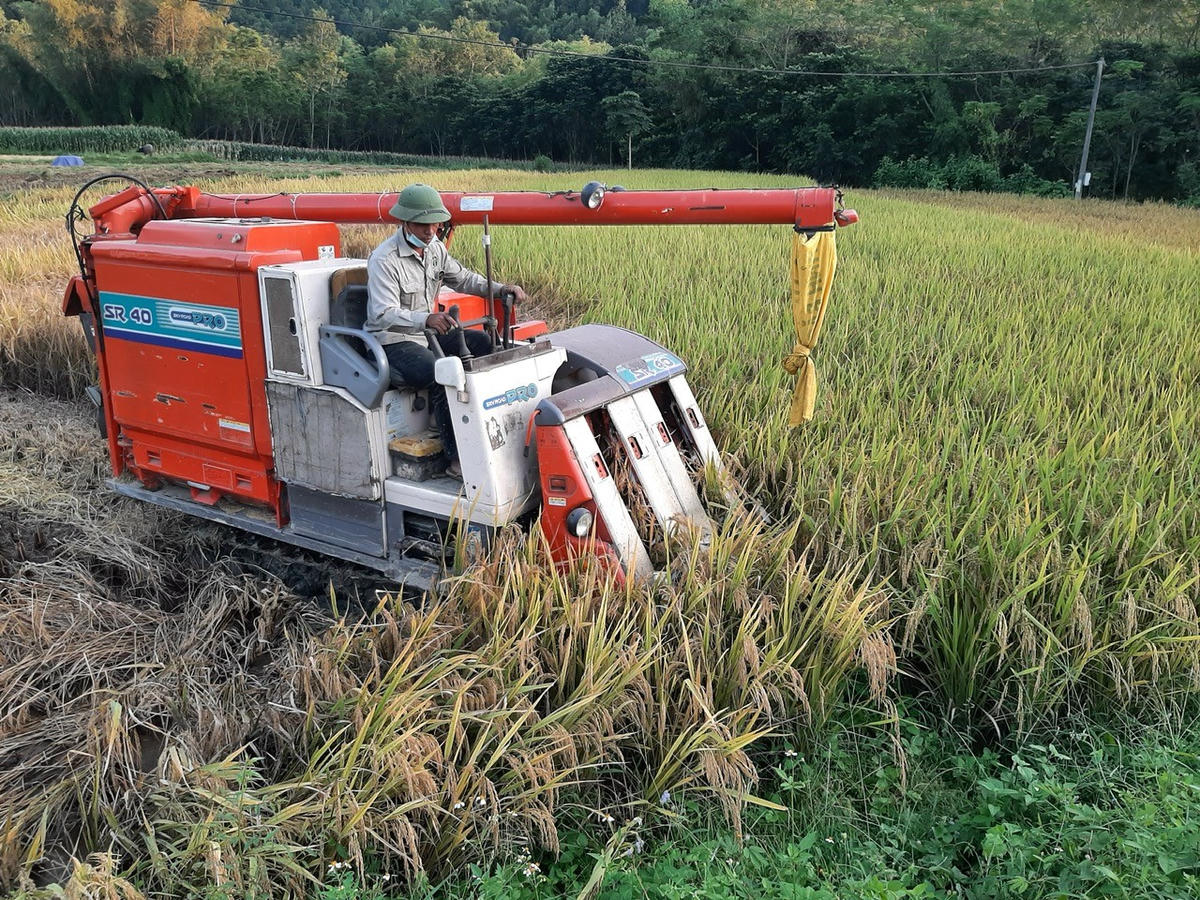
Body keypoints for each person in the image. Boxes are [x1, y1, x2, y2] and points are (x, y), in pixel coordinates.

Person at [366, 182, 526, 479]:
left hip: (427, 332)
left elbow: (464, 279)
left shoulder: (435, 249)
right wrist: (426, 319)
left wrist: (501, 289)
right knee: (442, 373)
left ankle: (485, 425)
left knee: (482, 342)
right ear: (405, 222)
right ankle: (456, 459)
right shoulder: (384, 261)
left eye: (435, 224)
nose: (430, 231)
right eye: (423, 225)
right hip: (393, 340)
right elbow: (383, 314)